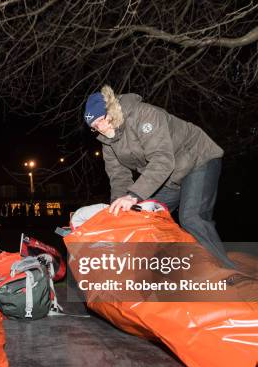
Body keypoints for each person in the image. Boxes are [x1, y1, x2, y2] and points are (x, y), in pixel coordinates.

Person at [84, 85, 236, 269]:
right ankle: (163, 272)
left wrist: (133, 196)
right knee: (146, 218)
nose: (100, 129)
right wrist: (118, 213)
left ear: (112, 109)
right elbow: (118, 177)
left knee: (191, 217)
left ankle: (226, 271)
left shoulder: (144, 115)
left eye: (101, 120)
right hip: (169, 176)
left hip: (197, 159)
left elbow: (162, 160)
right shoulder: (108, 143)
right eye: (94, 127)